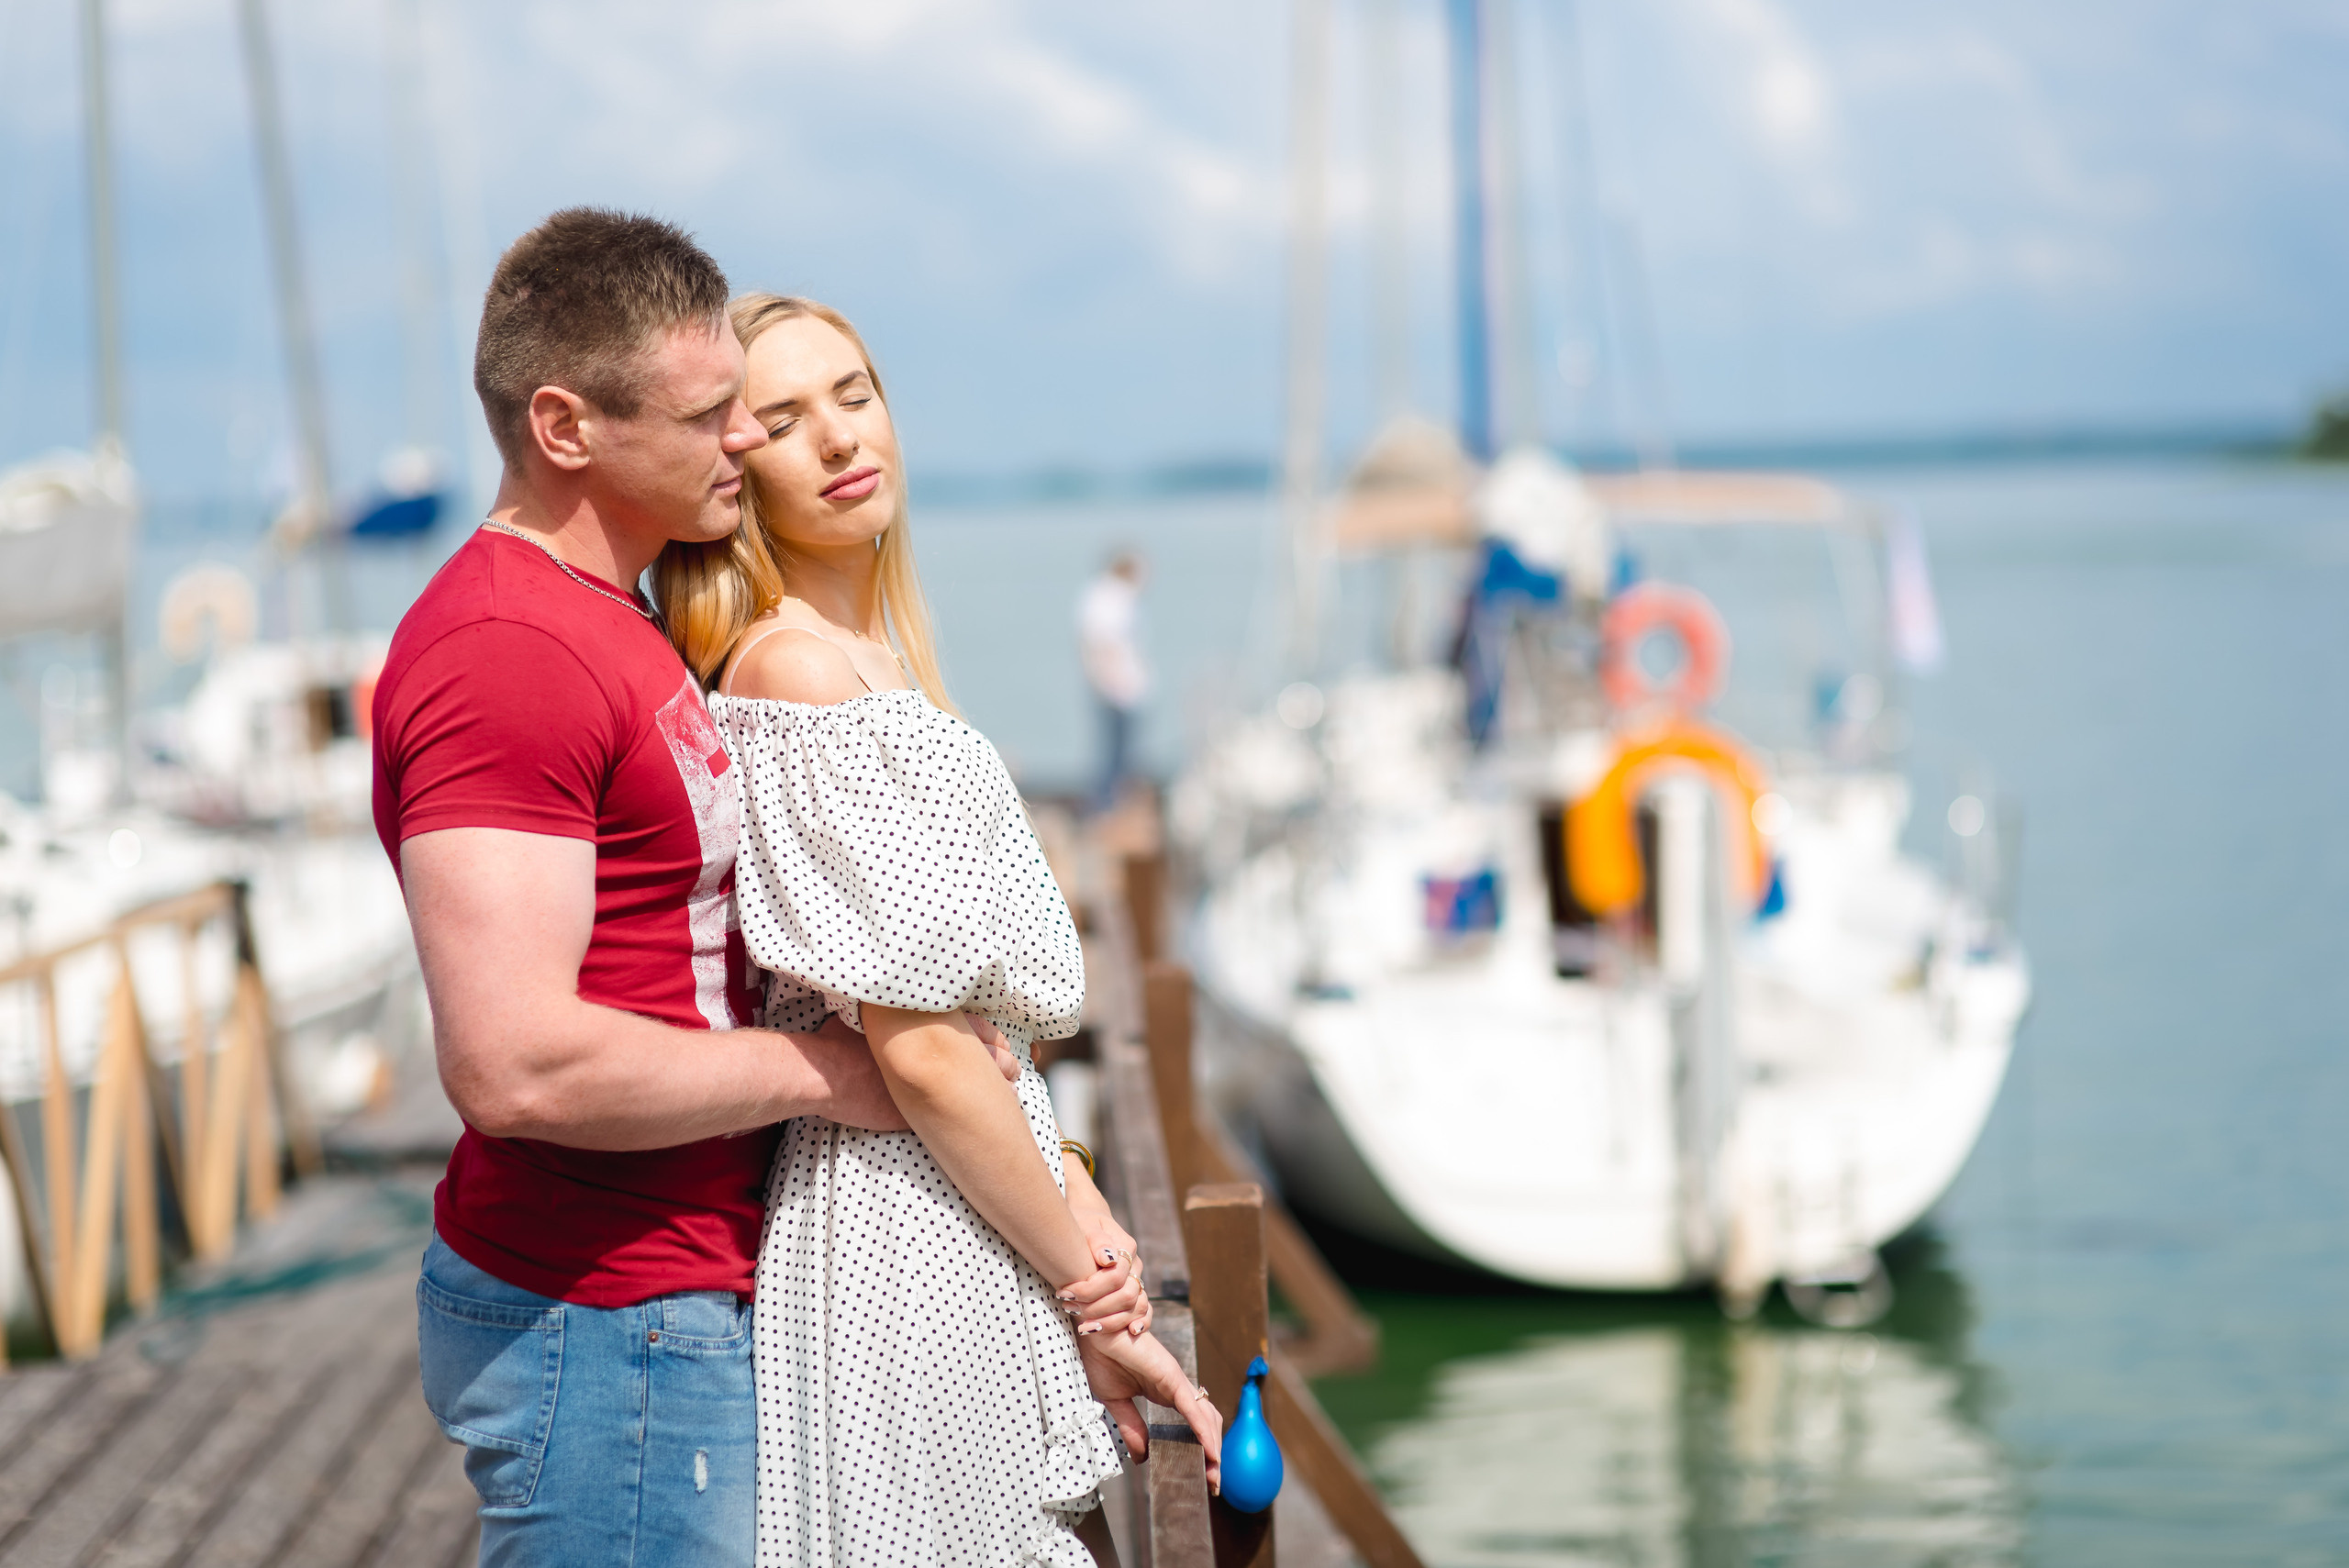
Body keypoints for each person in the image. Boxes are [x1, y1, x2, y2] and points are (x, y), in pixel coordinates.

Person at [372, 209, 1023, 1566]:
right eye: (710, 411)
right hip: (601, 1315)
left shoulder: (617, 619)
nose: (746, 438)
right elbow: (516, 1063)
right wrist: (825, 1075)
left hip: (675, 1298)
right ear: (565, 427)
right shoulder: (507, 648)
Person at [655, 295, 1220, 1567]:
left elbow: (978, 1030)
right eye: (787, 420)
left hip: (957, 1184)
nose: (841, 439)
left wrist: (1072, 1188)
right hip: (901, 1210)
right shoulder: (796, 670)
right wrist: (1089, 1277)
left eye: (855, 395)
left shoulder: (868, 660)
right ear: (738, 467)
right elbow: (919, 1047)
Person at [1075, 550, 1148, 810]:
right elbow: (1104, 644)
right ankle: (1109, 810)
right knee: (1117, 757)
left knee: (1114, 755)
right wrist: (1116, 684)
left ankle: (1109, 806)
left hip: (1112, 687)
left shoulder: (1099, 594)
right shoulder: (1113, 597)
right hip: (1118, 690)